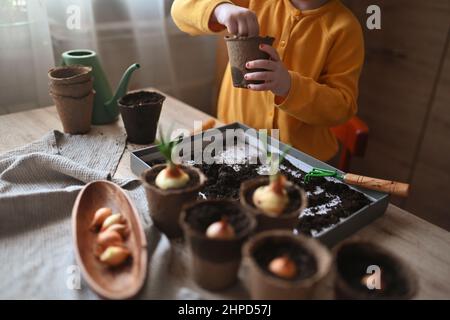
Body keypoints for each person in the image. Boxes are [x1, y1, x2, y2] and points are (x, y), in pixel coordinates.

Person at [171, 0, 364, 161]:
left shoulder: (345, 28)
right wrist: (220, 9)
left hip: (299, 161)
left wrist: (289, 86)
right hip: (234, 143)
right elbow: (180, 8)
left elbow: (342, 107)